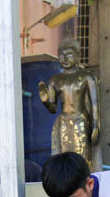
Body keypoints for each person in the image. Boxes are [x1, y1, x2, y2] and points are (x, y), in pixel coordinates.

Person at [38, 37, 100, 169]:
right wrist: (45, 101)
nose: (65, 59)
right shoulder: (55, 80)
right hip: (63, 123)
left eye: (69, 55)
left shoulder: (87, 77)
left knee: (83, 159)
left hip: (81, 121)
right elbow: (53, 109)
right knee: (65, 159)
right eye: (61, 56)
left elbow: (95, 104)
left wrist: (95, 125)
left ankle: (84, 179)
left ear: (78, 55)